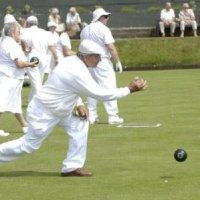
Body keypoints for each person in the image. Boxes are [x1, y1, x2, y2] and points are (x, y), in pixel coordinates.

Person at [0, 39, 147, 176]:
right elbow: (101, 94)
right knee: (28, 146)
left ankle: (72, 166)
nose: (100, 59)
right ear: (87, 56)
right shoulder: (76, 70)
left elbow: (70, 88)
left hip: (61, 110)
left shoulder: (72, 61)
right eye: (97, 56)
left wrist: (80, 104)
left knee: (80, 123)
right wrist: (130, 89)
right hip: (44, 113)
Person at [80, 8, 124, 125]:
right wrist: (117, 62)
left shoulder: (84, 30)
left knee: (91, 88)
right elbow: (110, 47)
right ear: (99, 17)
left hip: (88, 62)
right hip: (102, 60)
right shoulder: (103, 29)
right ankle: (112, 116)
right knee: (109, 87)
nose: (107, 19)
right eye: (105, 17)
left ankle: (92, 116)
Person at [0, 23, 36, 136]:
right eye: (18, 31)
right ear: (12, 33)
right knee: (1, 103)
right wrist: (30, 64)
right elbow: (19, 64)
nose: (20, 34)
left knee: (15, 104)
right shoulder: (10, 44)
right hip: (9, 78)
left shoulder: (8, 43)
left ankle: (24, 125)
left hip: (13, 78)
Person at [21, 16, 58, 101]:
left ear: (28, 23)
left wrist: (25, 49)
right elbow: (52, 47)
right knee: (38, 82)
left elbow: (21, 41)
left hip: (32, 57)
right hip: (44, 58)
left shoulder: (24, 31)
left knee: (37, 83)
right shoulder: (46, 33)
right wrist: (57, 58)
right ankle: (31, 100)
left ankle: (43, 101)